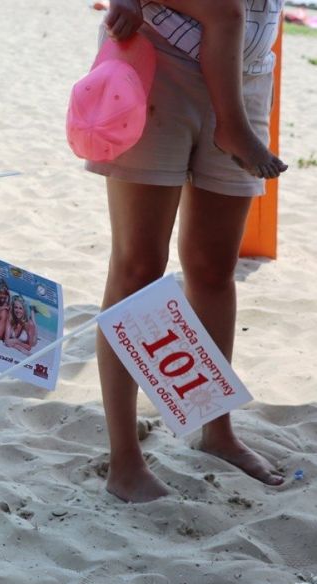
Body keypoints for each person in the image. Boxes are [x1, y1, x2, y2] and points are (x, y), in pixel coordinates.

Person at [88, 0, 286, 503]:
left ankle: (216, 431)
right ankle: (124, 459)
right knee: (137, 268)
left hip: (250, 69)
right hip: (157, 56)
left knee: (215, 267)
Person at [106, 0, 287, 178]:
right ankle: (233, 128)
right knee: (226, 9)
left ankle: (234, 129)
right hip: (163, 41)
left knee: (223, 203)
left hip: (248, 61)